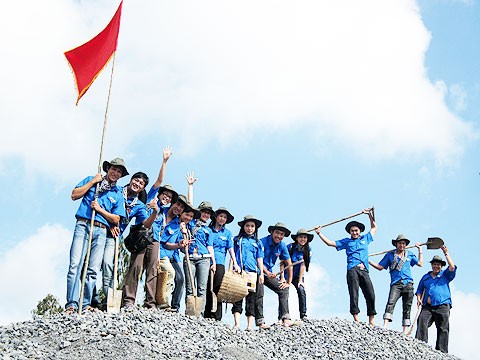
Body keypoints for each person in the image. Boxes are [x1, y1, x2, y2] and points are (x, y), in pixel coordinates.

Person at [65, 158, 128, 313]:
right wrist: (93, 181)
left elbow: (117, 219)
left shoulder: (118, 194)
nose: (115, 173)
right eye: (114, 169)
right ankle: (72, 304)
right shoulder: (93, 180)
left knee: (92, 269)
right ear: (108, 169)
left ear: (121, 176)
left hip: (101, 231)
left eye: (119, 171)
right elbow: (74, 195)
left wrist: (100, 210)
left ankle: (85, 304)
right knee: (75, 265)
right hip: (83, 225)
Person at [94, 171, 158, 310]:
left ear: (142, 188)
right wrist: (110, 223)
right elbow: (103, 204)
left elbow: (146, 224)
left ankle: (107, 301)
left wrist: (155, 212)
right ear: (131, 180)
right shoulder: (117, 190)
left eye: (141, 183)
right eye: (136, 180)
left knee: (108, 266)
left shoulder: (139, 205)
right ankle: (92, 298)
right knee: (92, 265)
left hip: (116, 236)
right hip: (101, 228)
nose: (137, 184)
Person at [122, 148, 176, 309]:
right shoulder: (150, 197)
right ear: (159, 194)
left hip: (155, 240)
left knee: (152, 270)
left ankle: (150, 302)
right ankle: (129, 300)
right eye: (164, 195)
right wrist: (164, 162)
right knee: (136, 267)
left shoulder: (165, 211)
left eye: (169, 198)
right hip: (141, 235)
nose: (166, 198)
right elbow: (159, 181)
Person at [315, 208, 377, 325]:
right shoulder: (346, 242)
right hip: (352, 269)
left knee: (370, 293)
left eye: (356, 230)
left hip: (364, 269)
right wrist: (319, 233)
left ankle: (371, 319)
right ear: (350, 232)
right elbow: (330, 243)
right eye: (352, 231)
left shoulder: (365, 239)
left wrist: (369, 215)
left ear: (359, 231)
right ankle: (356, 318)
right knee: (354, 293)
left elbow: (374, 227)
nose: (354, 232)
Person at [369, 234, 423, 333]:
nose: (402, 245)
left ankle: (405, 330)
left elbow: (420, 263)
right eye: (400, 243)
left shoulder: (409, 254)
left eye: (403, 243)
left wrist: (420, 250)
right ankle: (385, 325)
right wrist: (367, 261)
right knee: (391, 302)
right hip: (396, 284)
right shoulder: (390, 255)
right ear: (396, 244)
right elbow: (380, 267)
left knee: (407, 306)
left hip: (408, 284)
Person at [415, 245, 456, 353]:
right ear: (432, 265)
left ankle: (441, 351)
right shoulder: (426, 277)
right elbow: (419, 290)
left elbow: (452, 267)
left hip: (442, 305)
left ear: (441, 266)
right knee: (422, 321)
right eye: (434, 264)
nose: (436, 266)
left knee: (443, 327)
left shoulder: (445, 275)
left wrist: (446, 253)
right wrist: (419, 299)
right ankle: (420, 344)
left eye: (438, 264)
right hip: (427, 306)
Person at [232, 215, 267, 330]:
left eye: (252, 226)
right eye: (247, 226)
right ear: (243, 227)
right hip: (239, 271)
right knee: (237, 296)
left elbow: (259, 259)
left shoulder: (258, 242)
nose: (250, 228)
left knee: (251, 298)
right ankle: (237, 323)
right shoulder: (237, 240)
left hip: (252, 272)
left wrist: (261, 273)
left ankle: (249, 325)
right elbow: (232, 254)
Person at [204, 207, 240, 320]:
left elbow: (231, 249)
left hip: (220, 263)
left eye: (224, 217)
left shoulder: (228, 233)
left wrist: (235, 263)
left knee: (218, 288)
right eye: (220, 216)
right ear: (216, 217)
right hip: (207, 260)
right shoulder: (208, 230)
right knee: (206, 287)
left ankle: (216, 316)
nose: (222, 219)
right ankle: (207, 314)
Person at [155, 194, 190, 309]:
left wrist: (179, 245)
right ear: (172, 202)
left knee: (172, 273)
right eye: (177, 204)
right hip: (150, 246)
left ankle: (165, 301)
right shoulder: (160, 211)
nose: (178, 208)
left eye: (181, 207)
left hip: (164, 254)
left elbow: (167, 244)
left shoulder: (177, 224)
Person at [260, 222, 293, 327]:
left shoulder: (282, 245)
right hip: (258, 271)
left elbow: (289, 264)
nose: (279, 236)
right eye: (277, 233)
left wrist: (288, 282)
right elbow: (257, 261)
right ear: (271, 232)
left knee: (283, 289)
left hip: (269, 273)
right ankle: (260, 321)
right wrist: (267, 273)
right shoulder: (262, 242)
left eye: (282, 234)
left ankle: (284, 318)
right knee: (259, 293)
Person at [284, 228, 313, 321]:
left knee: (301, 290)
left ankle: (303, 314)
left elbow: (303, 265)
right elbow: (282, 262)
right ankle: (284, 315)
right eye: (300, 237)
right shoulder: (290, 247)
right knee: (284, 292)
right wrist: (282, 278)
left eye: (305, 237)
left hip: (297, 275)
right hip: (287, 274)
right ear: (296, 238)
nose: (303, 239)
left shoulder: (308, 250)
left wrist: (300, 280)